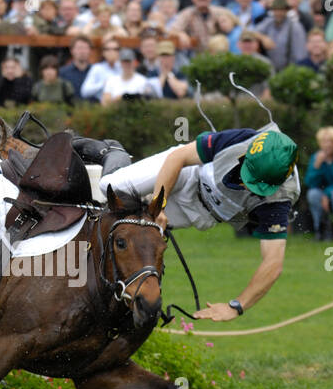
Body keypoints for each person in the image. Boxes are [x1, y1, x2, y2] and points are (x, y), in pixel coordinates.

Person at [100, 125, 301, 321]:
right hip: (185, 173)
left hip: (200, 213)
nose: (245, 184)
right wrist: (158, 206)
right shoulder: (241, 139)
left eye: (256, 184)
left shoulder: (278, 201)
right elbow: (179, 158)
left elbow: (273, 263)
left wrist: (236, 307)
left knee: (133, 229)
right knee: (110, 187)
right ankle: (110, 150)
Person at [256, 0, 307, 72]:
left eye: (281, 10)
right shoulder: (269, 22)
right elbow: (252, 32)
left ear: (286, 10)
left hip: (289, 70)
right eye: (276, 10)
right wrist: (263, 38)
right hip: (271, 70)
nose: (278, 13)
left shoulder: (295, 27)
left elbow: (300, 55)